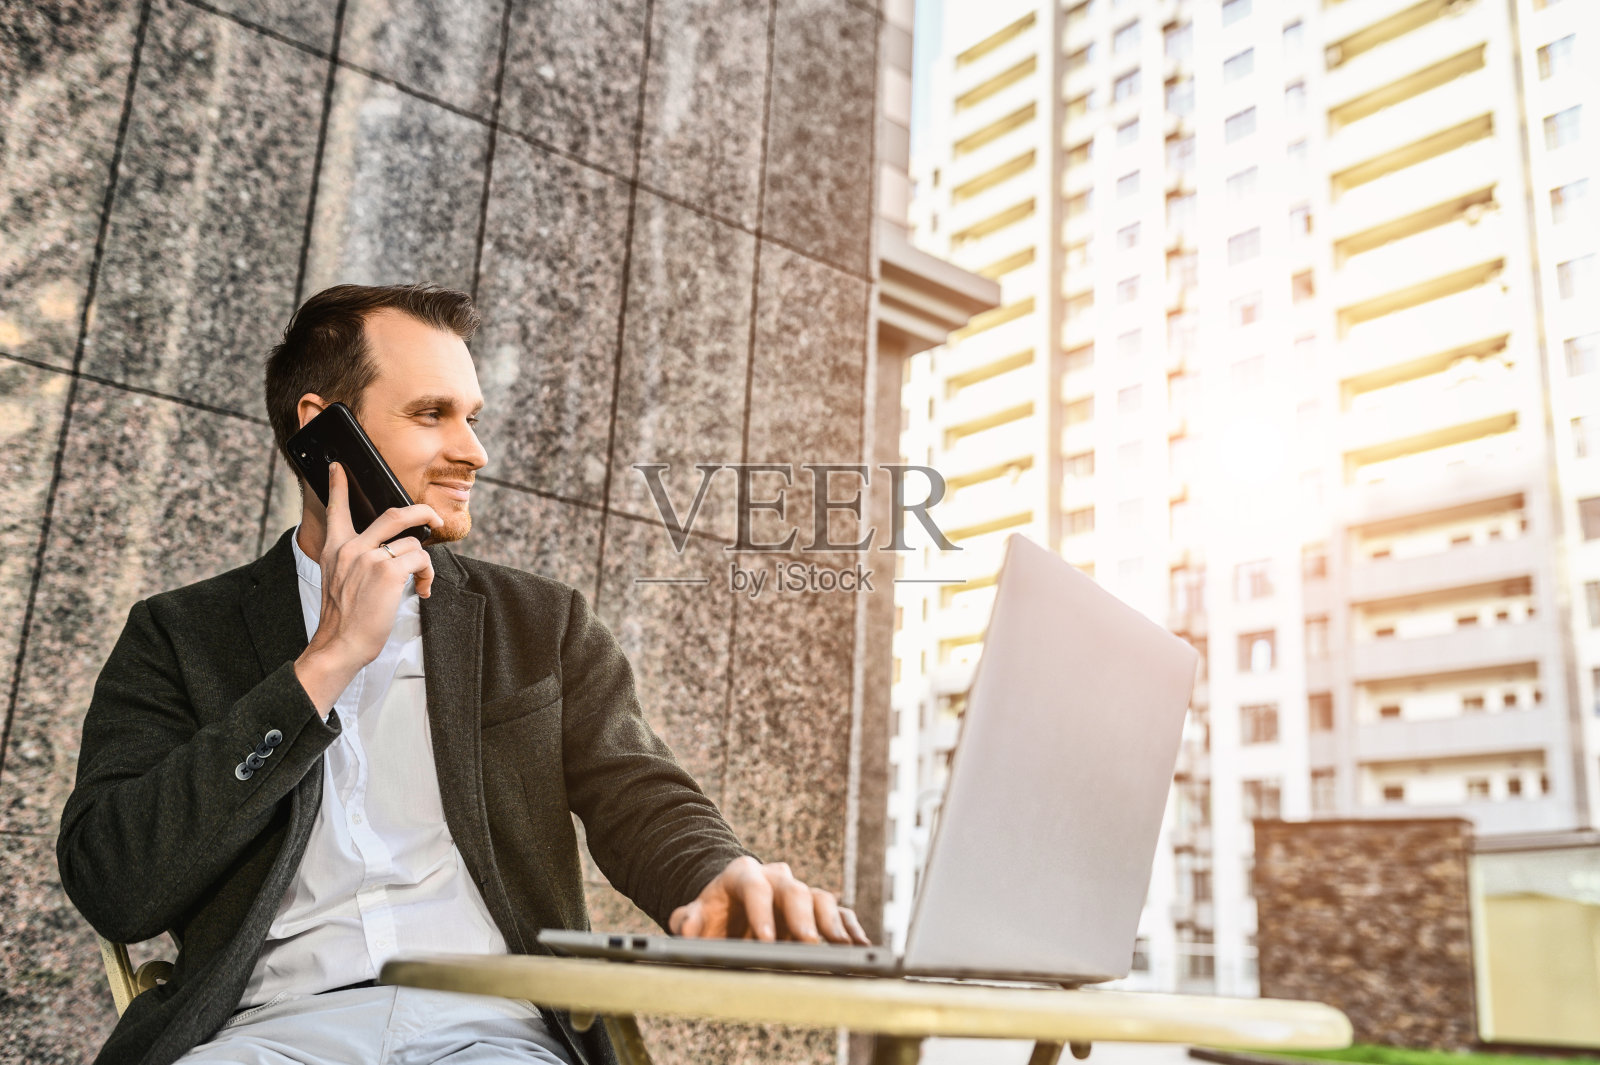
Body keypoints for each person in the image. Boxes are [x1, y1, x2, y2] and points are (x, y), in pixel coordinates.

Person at [55, 283, 868, 1065]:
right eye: (432, 414)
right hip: (266, 1034)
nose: (473, 450)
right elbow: (116, 883)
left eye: (471, 416)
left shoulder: (541, 625)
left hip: (493, 1035)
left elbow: (639, 794)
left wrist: (721, 875)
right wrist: (323, 663)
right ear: (324, 429)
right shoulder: (178, 634)